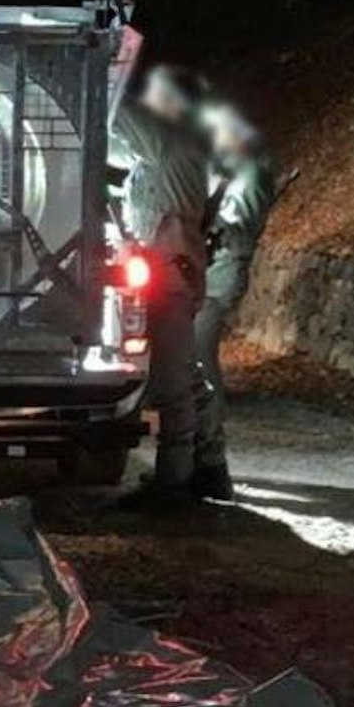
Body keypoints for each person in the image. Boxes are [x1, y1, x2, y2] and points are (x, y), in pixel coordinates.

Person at [108, 64, 212, 506]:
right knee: (180, 375)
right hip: (173, 270)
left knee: (173, 378)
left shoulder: (169, 141)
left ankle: (175, 484)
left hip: (170, 274)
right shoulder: (168, 146)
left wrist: (105, 81)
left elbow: (117, 117)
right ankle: (202, 469)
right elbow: (117, 150)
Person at [191, 101, 280, 502]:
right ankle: (201, 458)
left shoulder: (249, 172)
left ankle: (208, 460)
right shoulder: (236, 169)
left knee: (199, 362)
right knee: (194, 361)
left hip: (216, 276)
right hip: (210, 273)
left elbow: (232, 229)